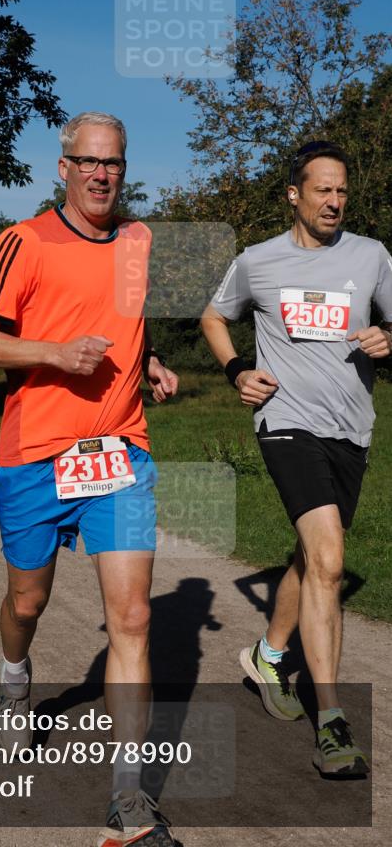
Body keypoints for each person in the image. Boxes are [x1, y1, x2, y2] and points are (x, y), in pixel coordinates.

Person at [0, 111, 180, 847]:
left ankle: (127, 798)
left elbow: (122, 318)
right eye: (87, 161)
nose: (101, 174)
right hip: (35, 455)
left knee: (135, 617)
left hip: (118, 450)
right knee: (29, 599)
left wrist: (143, 362)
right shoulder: (23, 241)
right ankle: (15, 677)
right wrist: (52, 353)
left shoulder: (141, 242)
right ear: (63, 166)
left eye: (113, 163)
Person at [201, 139, 392, 777]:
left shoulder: (372, 256)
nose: (335, 202)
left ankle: (267, 653)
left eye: (342, 191)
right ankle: (333, 722)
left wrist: (388, 338)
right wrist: (236, 371)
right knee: (331, 559)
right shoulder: (258, 261)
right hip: (284, 422)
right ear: (294, 194)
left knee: (313, 555)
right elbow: (212, 316)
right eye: (322, 191)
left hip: (351, 430)